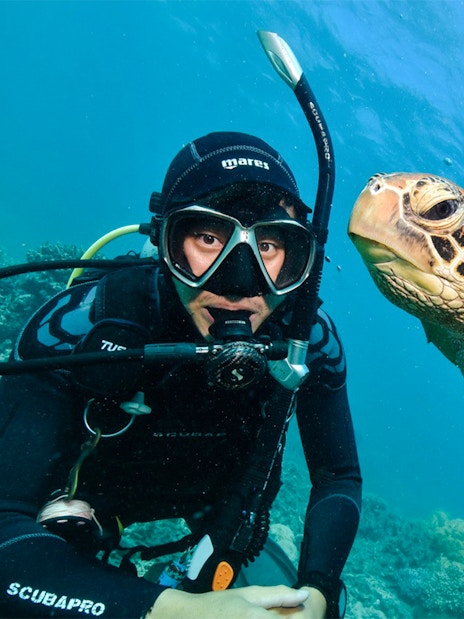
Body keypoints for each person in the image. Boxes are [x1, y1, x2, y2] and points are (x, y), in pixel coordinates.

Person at [0, 132, 362, 618]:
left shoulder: (306, 340)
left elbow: (337, 474)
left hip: (219, 526)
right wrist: (171, 611)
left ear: (300, 257)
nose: (239, 284)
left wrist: (318, 590)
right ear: (166, 240)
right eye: (208, 238)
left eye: (271, 245)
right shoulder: (79, 327)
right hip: (76, 525)